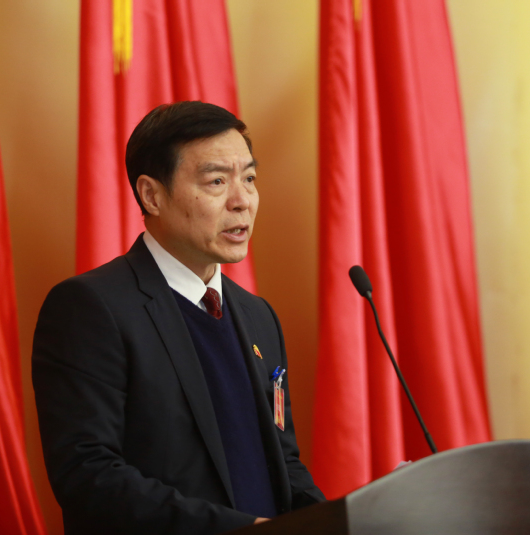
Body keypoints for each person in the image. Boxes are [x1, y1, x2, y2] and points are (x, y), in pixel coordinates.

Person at [32, 101, 325, 534]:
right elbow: (89, 475)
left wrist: (332, 522)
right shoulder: (91, 307)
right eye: (217, 181)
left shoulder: (258, 316)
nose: (242, 201)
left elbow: (284, 461)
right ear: (152, 195)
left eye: (248, 178)